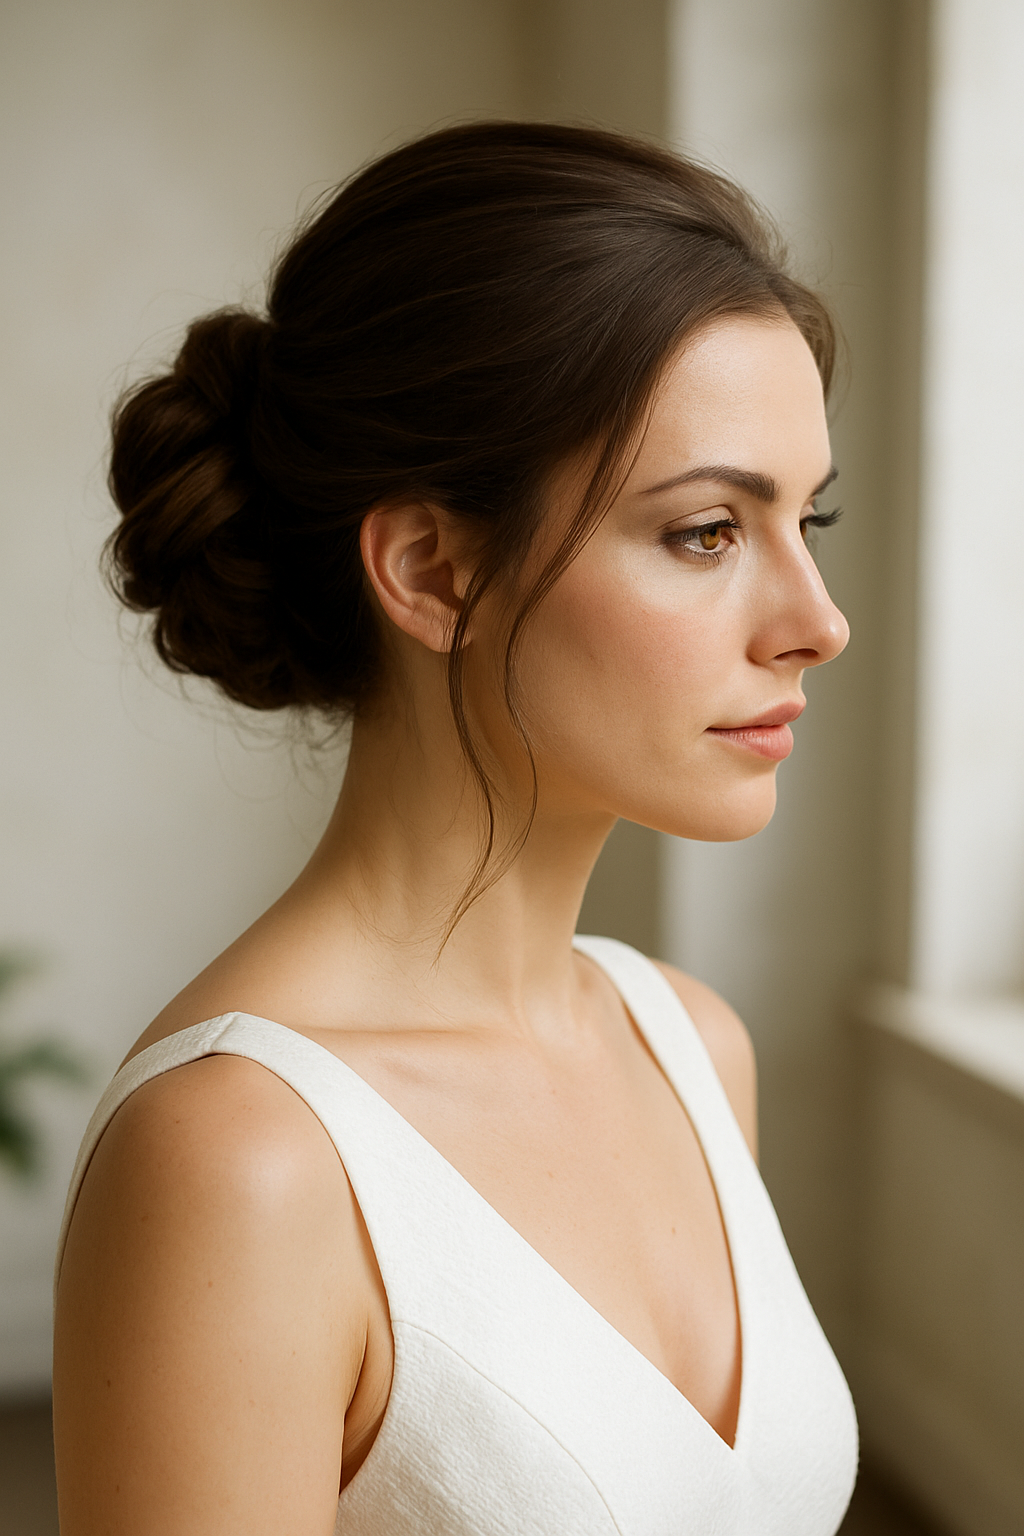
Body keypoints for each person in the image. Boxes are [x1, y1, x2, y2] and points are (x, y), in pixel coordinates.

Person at [52, 121, 857, 1534]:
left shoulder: (687, 1043)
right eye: (707, 532)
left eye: (809, 520)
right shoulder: (242, 1161)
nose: (817, 624)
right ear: (433, 569)